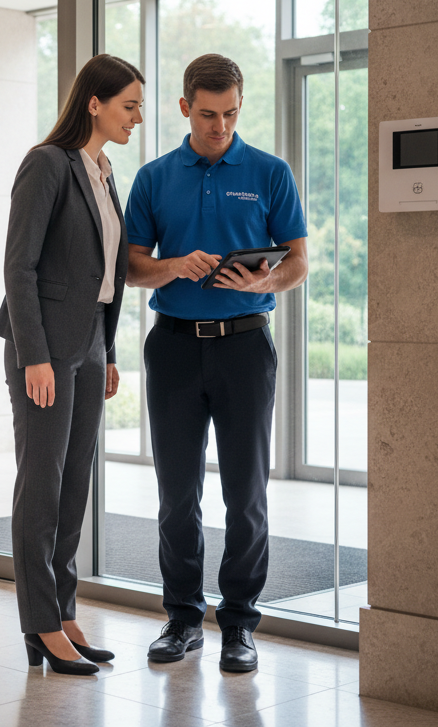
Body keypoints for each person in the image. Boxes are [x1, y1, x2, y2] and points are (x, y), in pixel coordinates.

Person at [124, 53, 308, 673]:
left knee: (246, 493)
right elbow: (130, 265)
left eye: (230, 114)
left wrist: (259, 282)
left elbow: (298, 264)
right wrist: (177, 266)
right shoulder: (152, 178)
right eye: (208, 115)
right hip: (173, 344)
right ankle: (181, 619)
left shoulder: (270, 172)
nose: (220, 126)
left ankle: (238, 625)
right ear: (184, 108)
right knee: (177, 494)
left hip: (245, 345)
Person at [0, 54, 140, 675]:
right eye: (128, 105)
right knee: (42, 486)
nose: (136, 118)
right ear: (94, 104)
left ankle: (65, 611)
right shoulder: (46, 164)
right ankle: (41, 625)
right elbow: (19, 267)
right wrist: (35, 356)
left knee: (75, 484)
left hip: (88, 349)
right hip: (44, 352)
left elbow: (105, 275)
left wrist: (106, 351)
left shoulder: (104, 172)